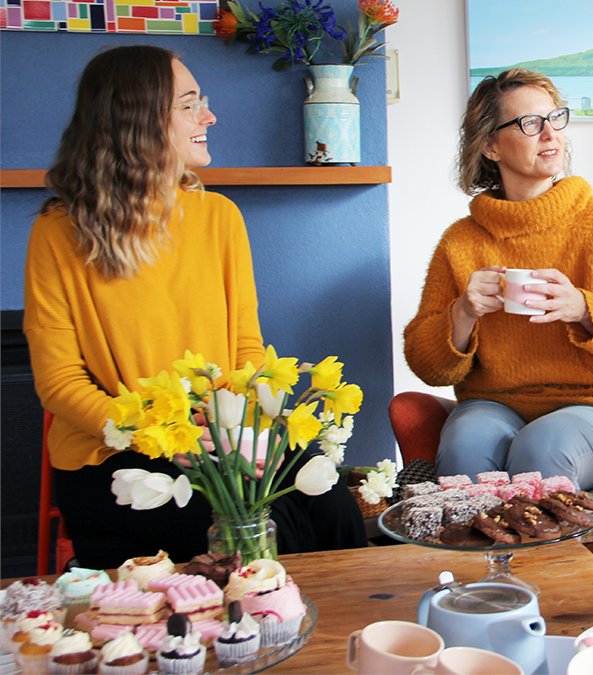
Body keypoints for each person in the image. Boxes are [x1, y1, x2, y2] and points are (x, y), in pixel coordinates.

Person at [24, 45, 366, 570]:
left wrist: (239, 428)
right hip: (115, 454)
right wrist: (154, 434)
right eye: (188, 104)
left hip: (226, 435)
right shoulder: (58, 233)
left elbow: (247, 349)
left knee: (333, 507)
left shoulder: (219, 218)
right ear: (136, 119)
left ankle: (346, 642)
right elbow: (60, 382)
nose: (208, 116)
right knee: (247, 529)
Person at [403, 68, 593, 490]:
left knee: (541, 447)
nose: (551, 134)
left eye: (556, 118)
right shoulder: (461, 242)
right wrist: (462, 313)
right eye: (530, 123)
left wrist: (583, 309)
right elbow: (429, 367)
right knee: (464, 443)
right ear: (490, 145)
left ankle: (542, 560)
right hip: (496, 403)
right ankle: (479, 559)